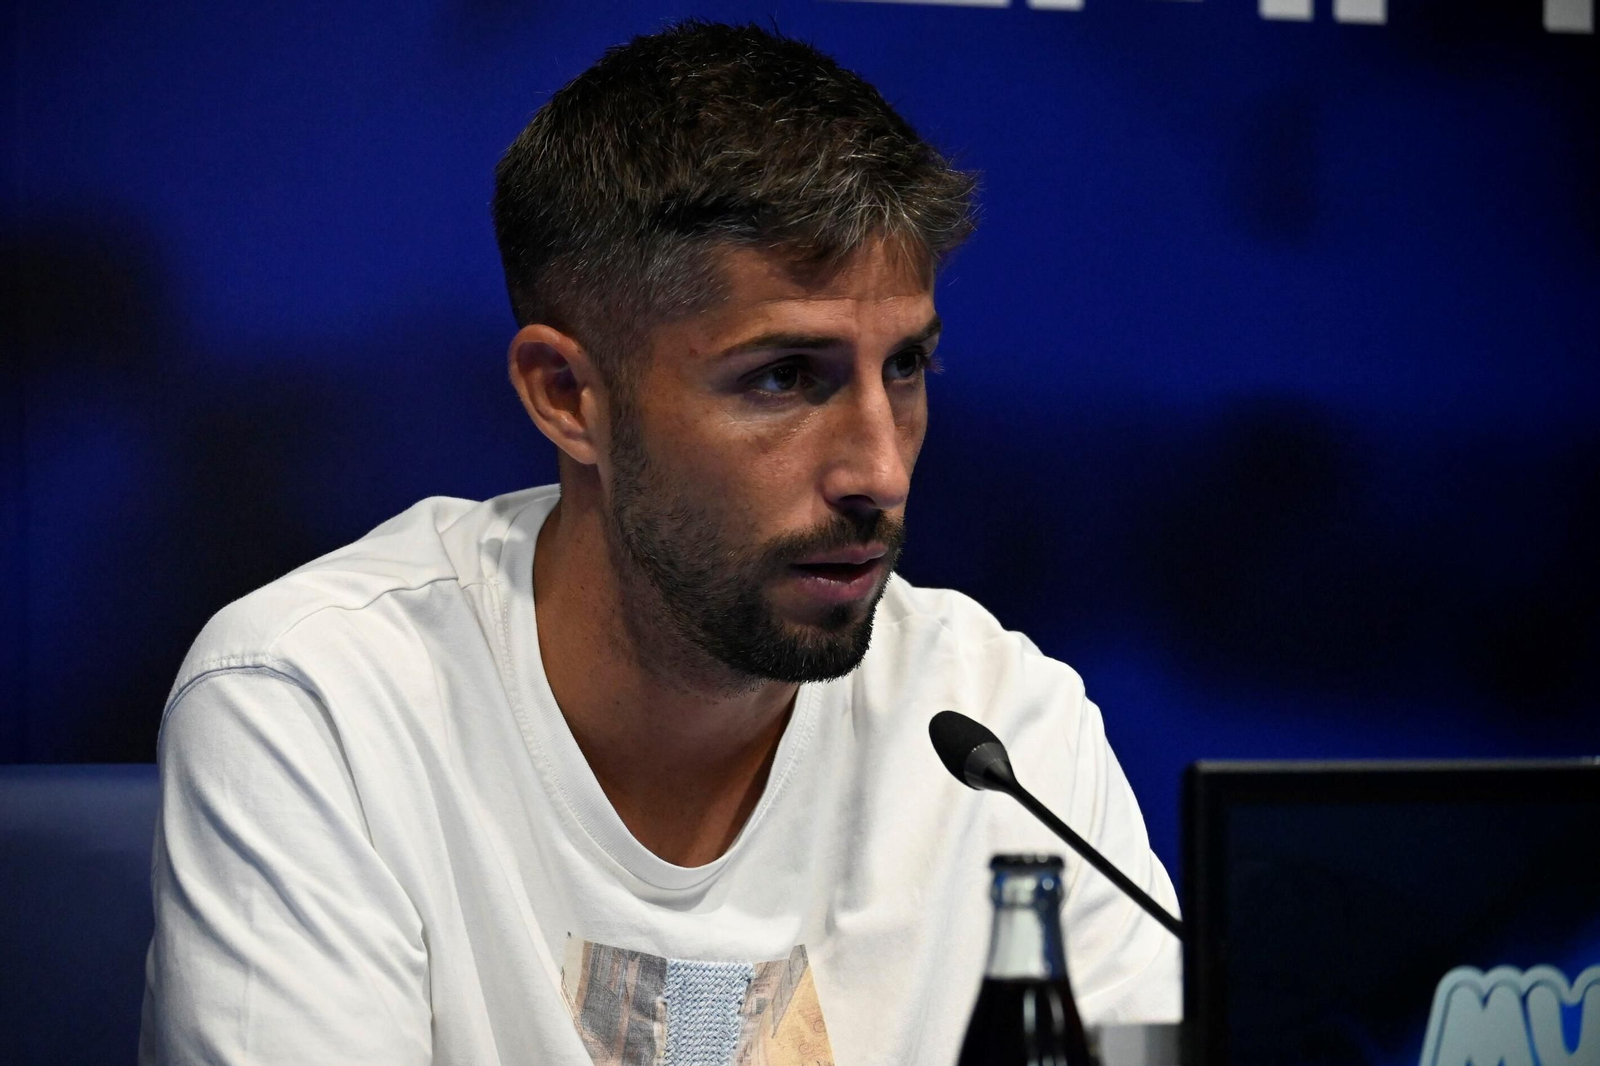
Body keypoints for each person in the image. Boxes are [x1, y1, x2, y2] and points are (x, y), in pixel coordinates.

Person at [140, 20, 1179, 1065]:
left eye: (904, 368)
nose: (881, 472)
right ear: (568, 396)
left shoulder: (998, 726)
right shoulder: (320, 703)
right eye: (783, 377)